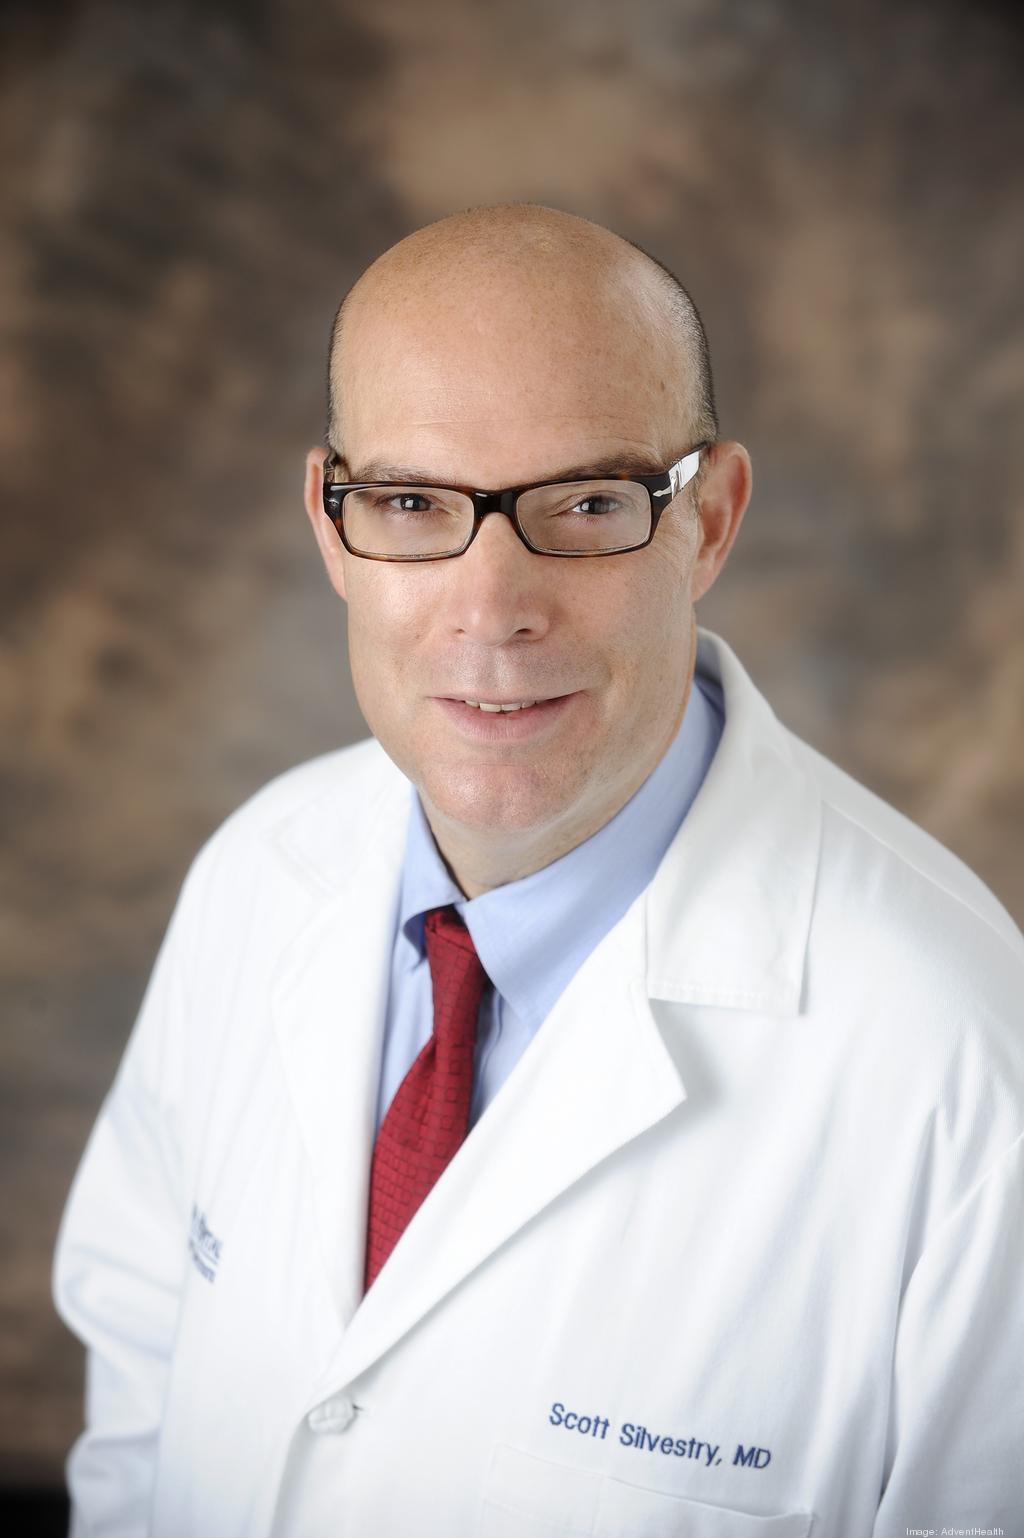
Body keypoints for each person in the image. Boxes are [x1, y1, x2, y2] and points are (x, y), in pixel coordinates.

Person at [54, 204, 1023, 1538]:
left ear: (711, 521)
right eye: (411, 504)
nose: (494, 607)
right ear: (331, 526)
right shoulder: (256, 875)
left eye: (587, 504)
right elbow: (136, 1399)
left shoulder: (963, 1062)